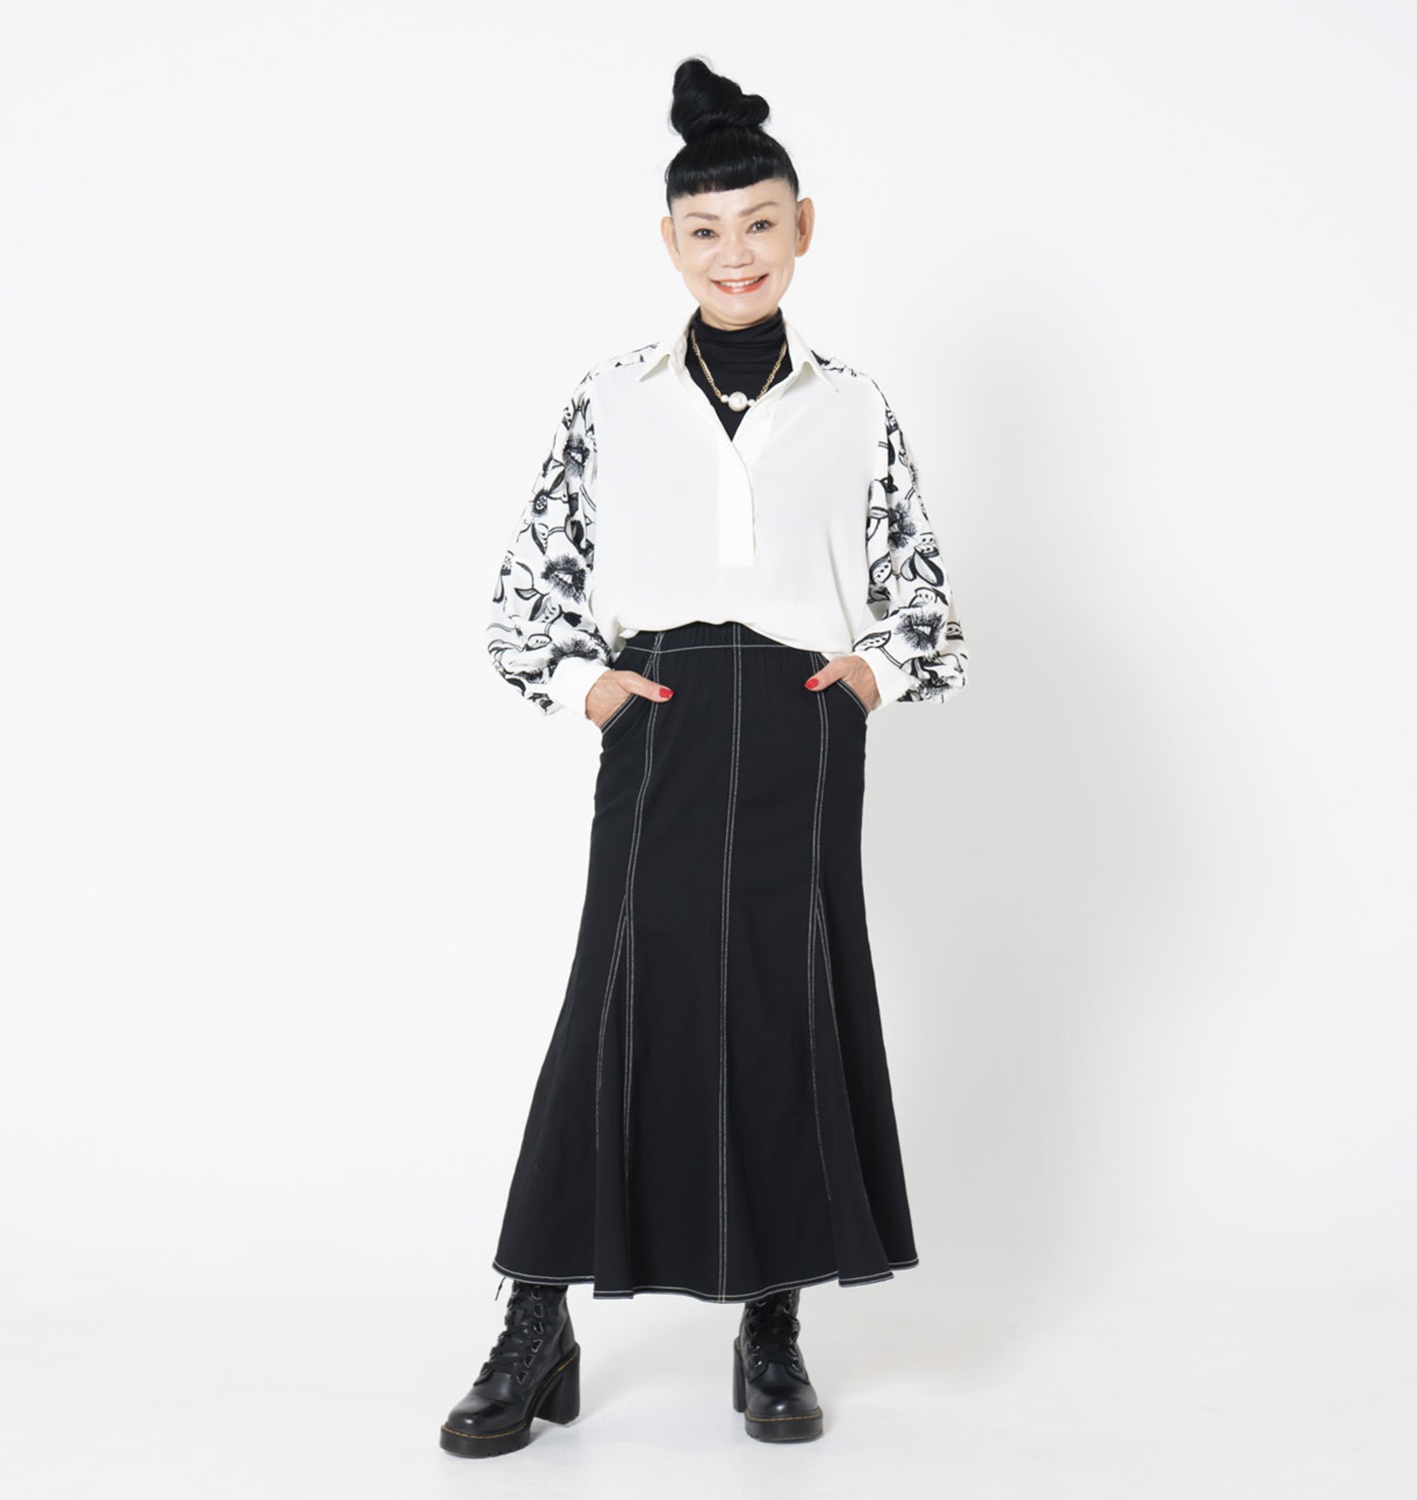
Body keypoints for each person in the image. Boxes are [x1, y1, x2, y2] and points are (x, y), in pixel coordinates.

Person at [440, 56, 968, 1458]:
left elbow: (922, 596)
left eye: (760, 223)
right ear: (669, 243)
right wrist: (593, 690)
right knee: (614, 1006)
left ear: (805, 227)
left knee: (786, 1007)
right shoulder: (611, 399)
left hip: (802, 724)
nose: (736, 252)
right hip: (663, 716)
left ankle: (770, 1320)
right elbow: (527, 593)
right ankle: (535, 1319)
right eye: (706, 230)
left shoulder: (855, 407)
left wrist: (868, 677)